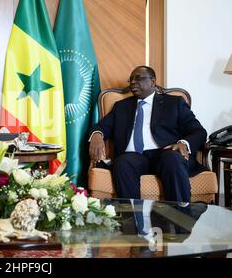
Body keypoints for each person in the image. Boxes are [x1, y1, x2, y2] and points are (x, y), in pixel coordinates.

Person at [88, 65, 207, 203]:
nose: (132, 82)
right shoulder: (121, 106)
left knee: (172, 159)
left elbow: (199, 132)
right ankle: (131, 220)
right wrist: (97, 134)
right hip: (133, 157)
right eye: (131, 79)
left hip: (165, 152)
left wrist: (183, 143)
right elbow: (101, 127)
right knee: (122, 163)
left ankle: (181, 218)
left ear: (152, 81)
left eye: (138, 78)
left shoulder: (174, 103)